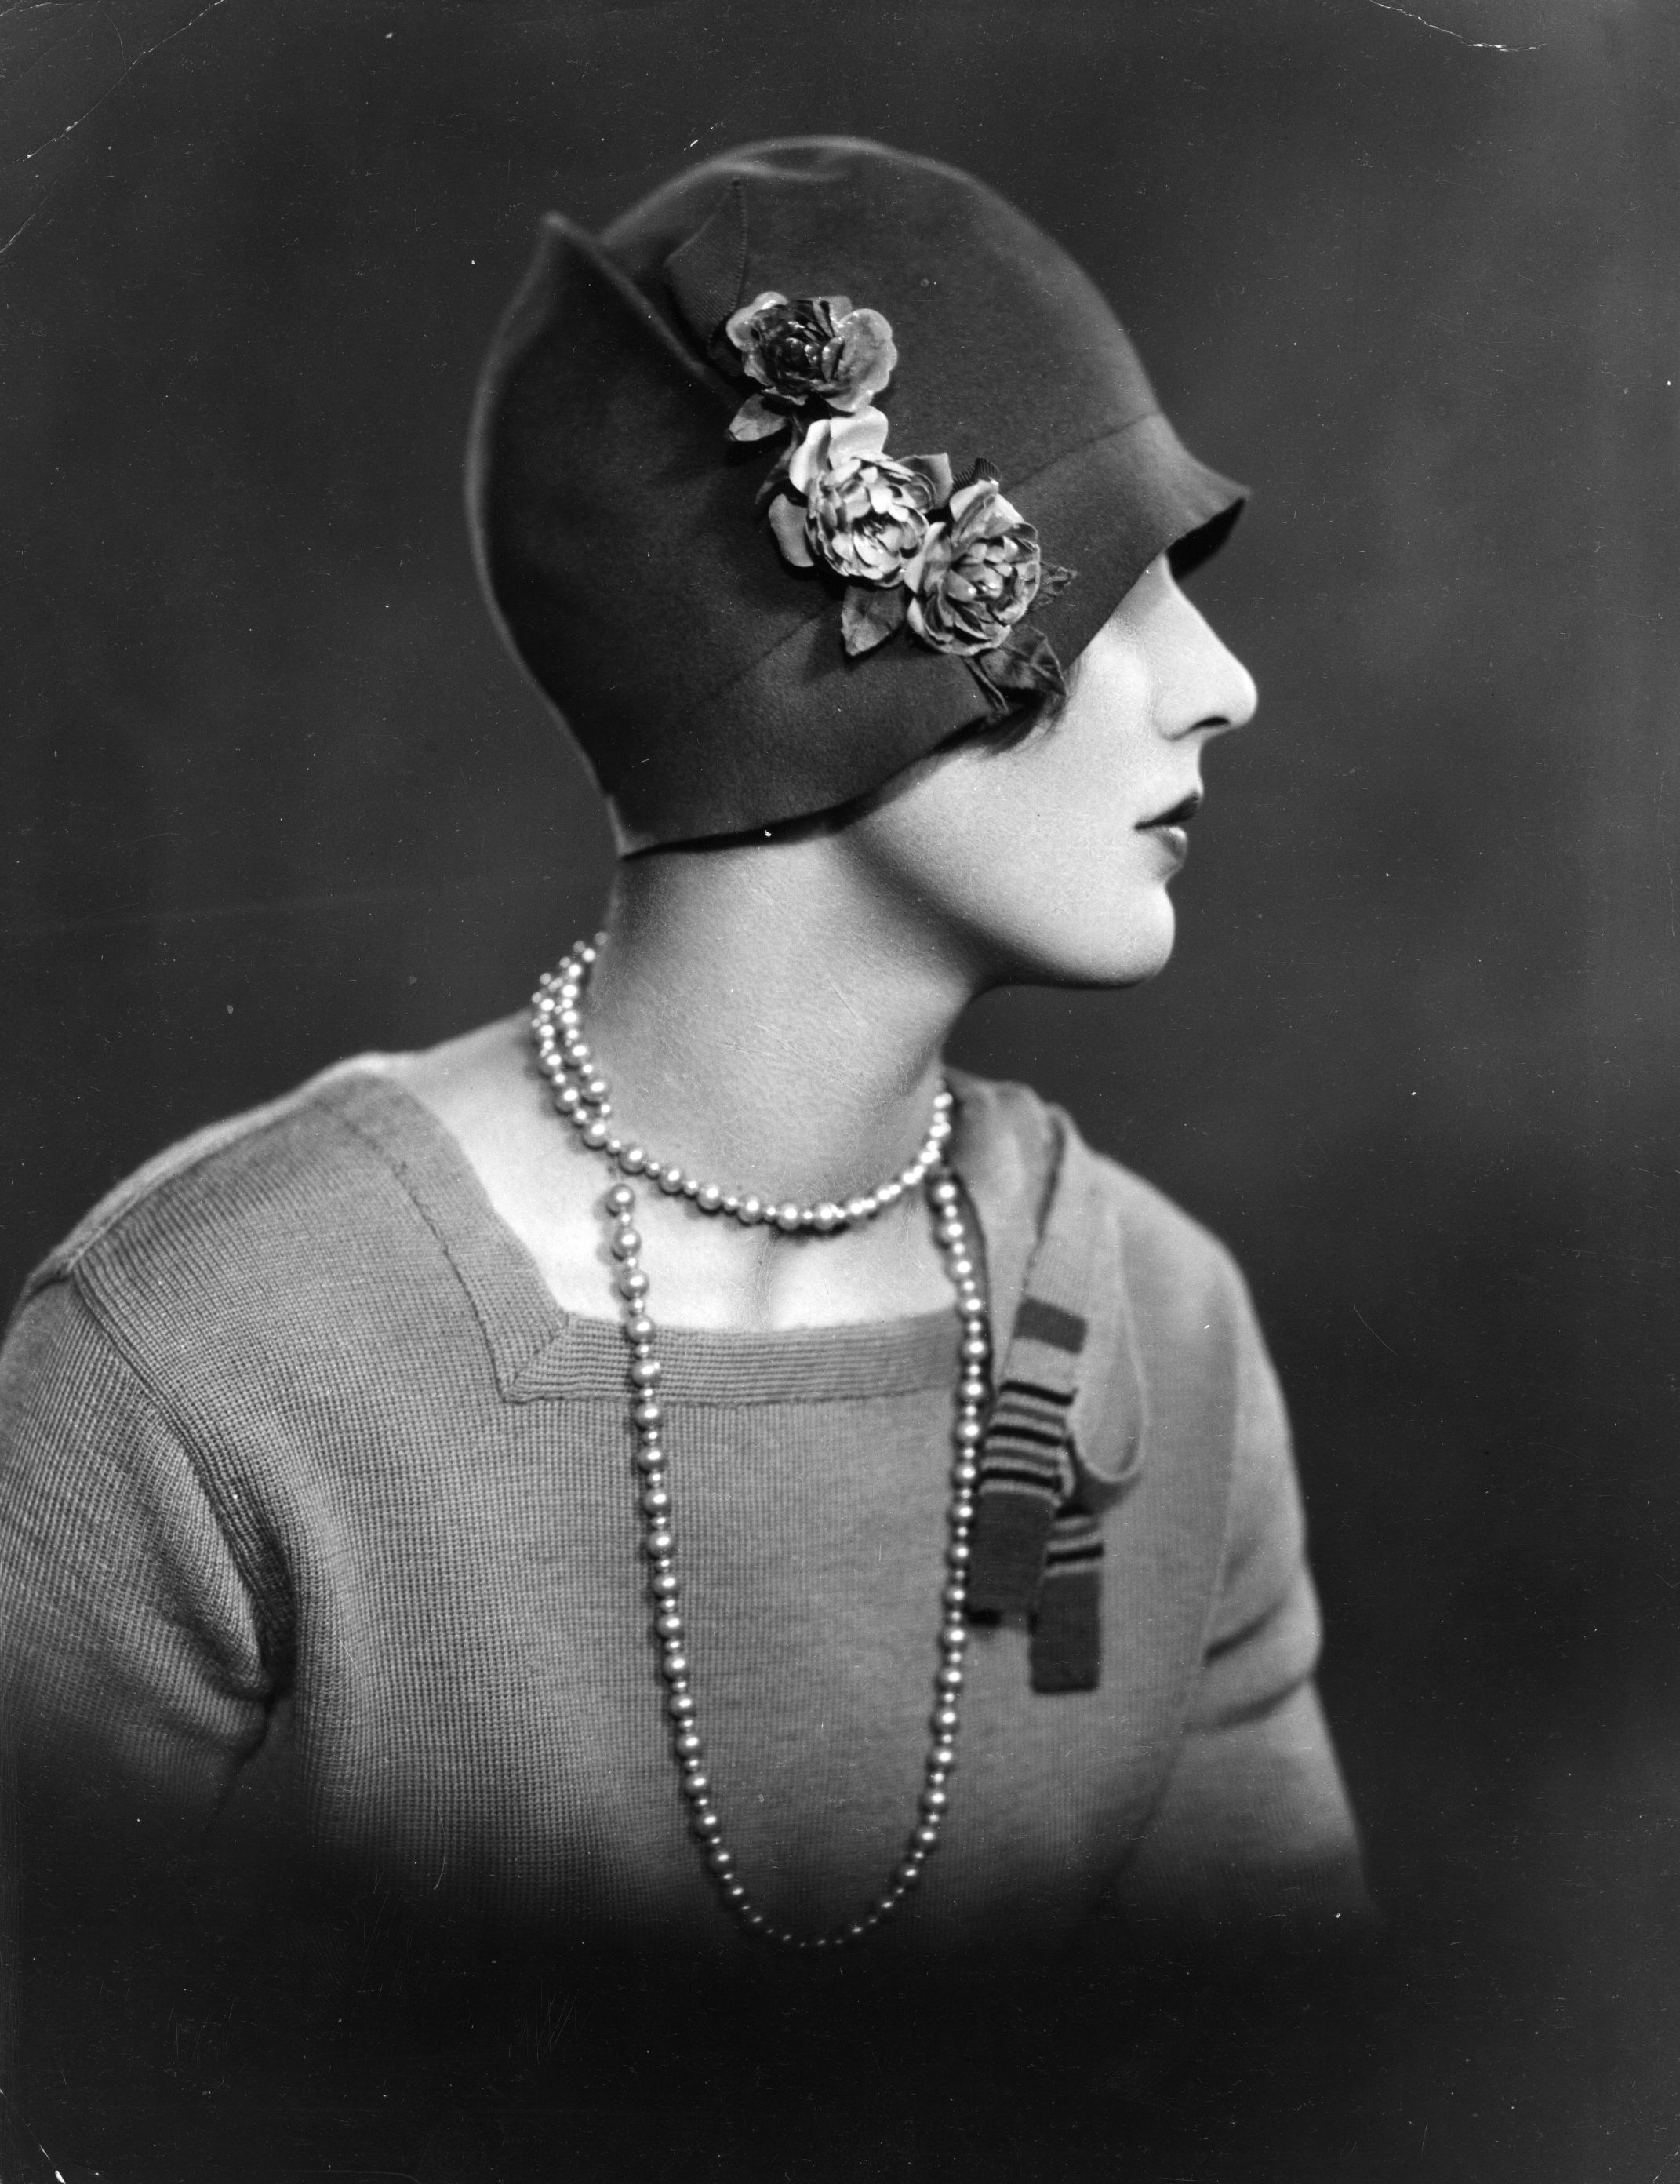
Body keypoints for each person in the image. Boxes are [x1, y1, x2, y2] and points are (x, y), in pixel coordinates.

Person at [0, 138, 1368, 2180]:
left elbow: (1313, 2114)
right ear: (844, 659)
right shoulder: (200, 1359)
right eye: (1119, 579)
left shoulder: (1157, 1317)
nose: (1222, 683)